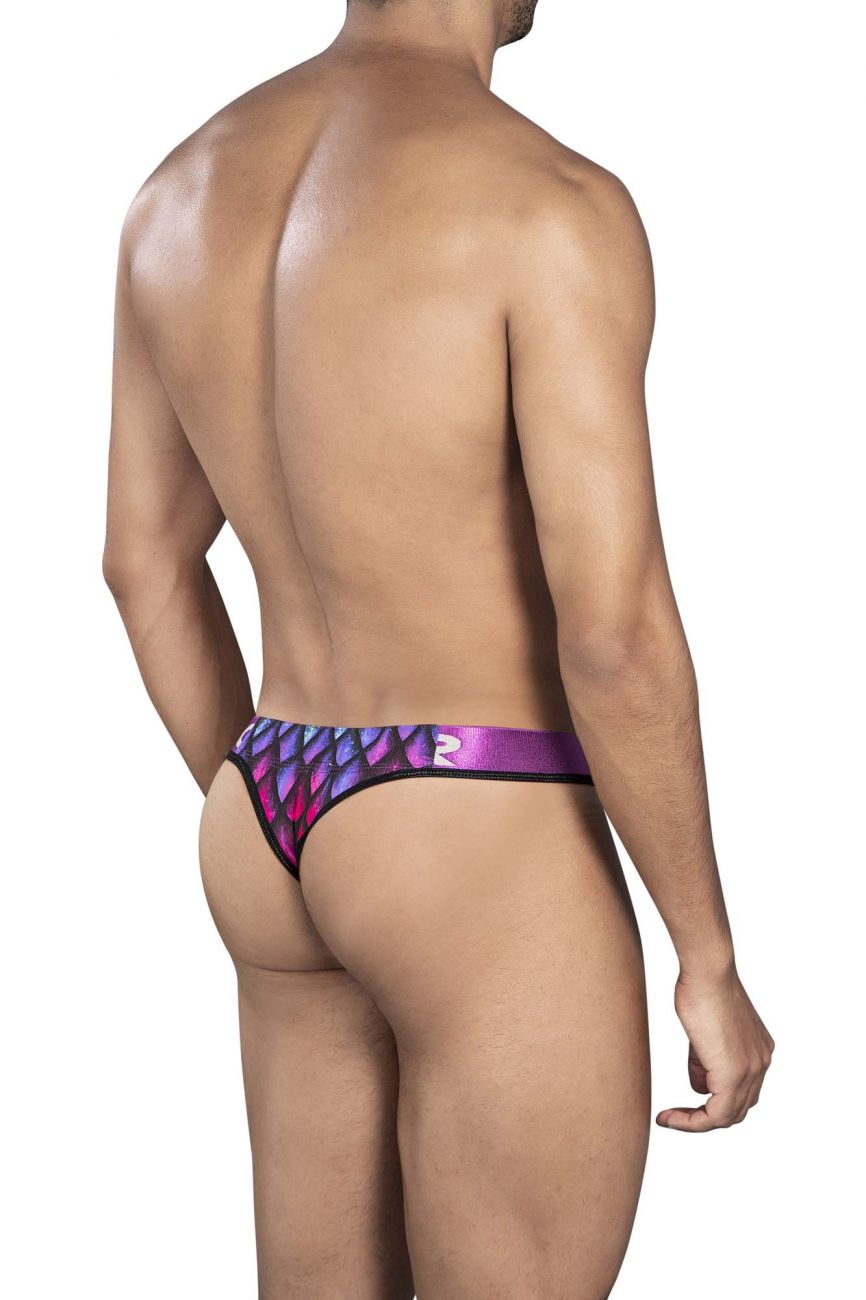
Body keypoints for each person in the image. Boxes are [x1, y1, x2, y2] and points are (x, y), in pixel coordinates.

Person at [103, 1, 774, 1294]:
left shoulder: (177, 193)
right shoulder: (544, 203)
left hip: (270, 802)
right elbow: (613, 635)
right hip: (475, 819)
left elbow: (143, 563)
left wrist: (291, 819)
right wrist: (706, 954)